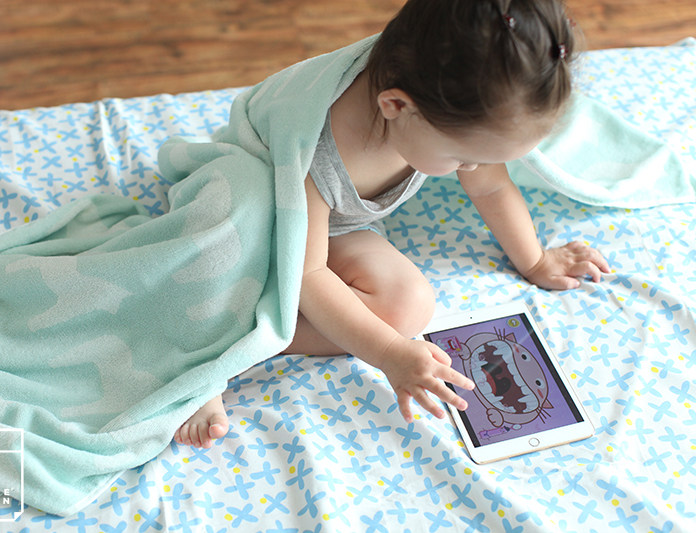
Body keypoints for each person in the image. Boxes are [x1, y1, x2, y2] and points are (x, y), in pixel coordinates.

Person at [173, 0, 611, 449]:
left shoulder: (437, 88)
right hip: (262, 209)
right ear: (396, 105)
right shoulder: (317, 149)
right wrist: (388, 353)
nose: (472, 168)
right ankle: (219, 351)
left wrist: (536, 261)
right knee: (218, 268)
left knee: (406, 306)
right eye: (462, 158)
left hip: (332, 224)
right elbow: (305, 274)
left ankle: (259, 332)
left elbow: (492, 187)